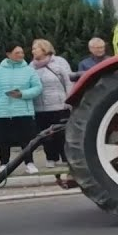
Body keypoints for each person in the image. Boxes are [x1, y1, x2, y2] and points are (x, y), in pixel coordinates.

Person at [0, 43, 43, 175]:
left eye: (21, 52)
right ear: (8, 55)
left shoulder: (29, 70)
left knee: (27, 139)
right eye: (17, 53)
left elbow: (37, 87)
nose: (20, 55)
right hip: (2, 112)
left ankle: (29, 163)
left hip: (24, 111)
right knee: (3, 139)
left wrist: (23, 94)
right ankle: (3, 164)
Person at [29, 39, 73, 168]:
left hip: (59, 105)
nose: (33, 51)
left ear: (44, 49)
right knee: (45, 135)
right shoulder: (31, 66)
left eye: (35, 48)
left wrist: (70, 100)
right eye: (32, 49)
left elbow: (69, 81)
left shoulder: (59, 62)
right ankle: (50, 157)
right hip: (40, 107)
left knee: (62, 133)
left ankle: (66, 157)